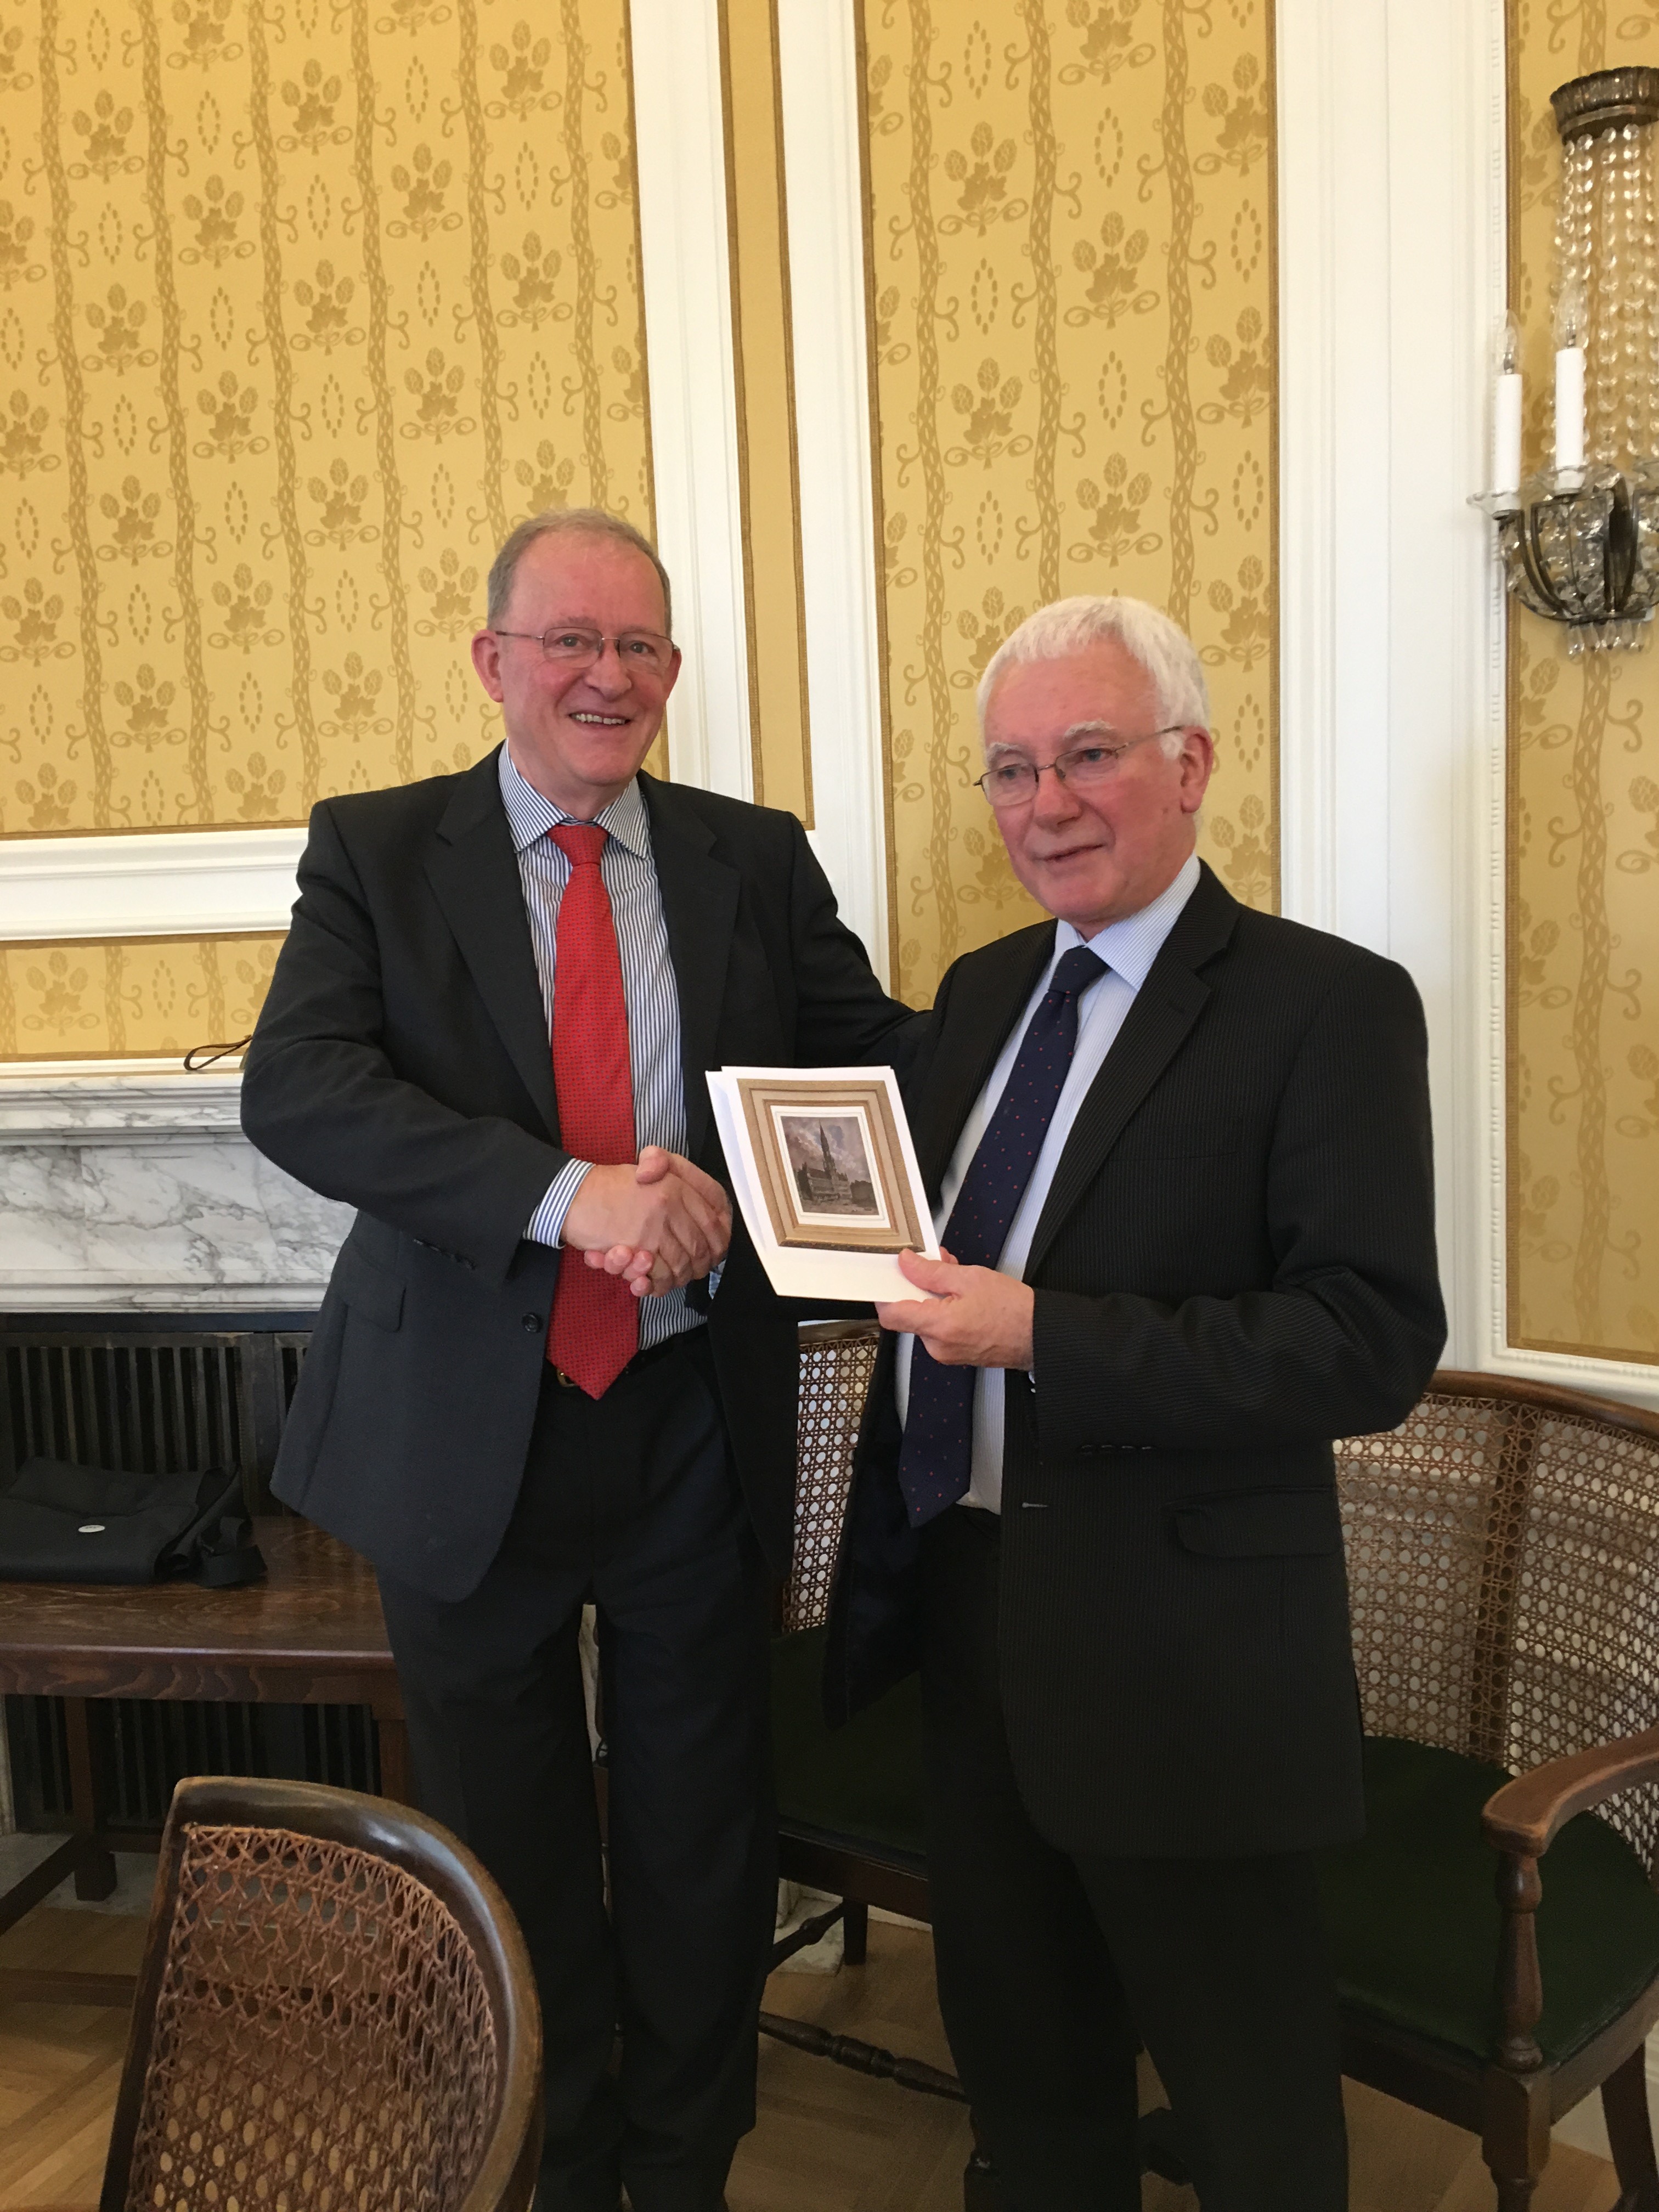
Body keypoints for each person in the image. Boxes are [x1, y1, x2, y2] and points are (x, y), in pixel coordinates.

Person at [240, 506, 921, 2212]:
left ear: (671, 670)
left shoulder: (752, 858)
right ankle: (549, 2162)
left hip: (693, 1419)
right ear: (496, 662)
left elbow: (866, 1068)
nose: (608, 676)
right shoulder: (377, 851)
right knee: (507, 1838)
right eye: (571, 642)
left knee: (703, 1835)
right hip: (465, 1434)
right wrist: (568, 1196)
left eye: (638, 646)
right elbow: (302, 1088)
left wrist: (1073, 998)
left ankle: (682, 2173)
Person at [825, 594, 1447, 2212]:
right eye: (1013, 769)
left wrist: (1047, 1336)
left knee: (1252, 2118)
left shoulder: (1328, 1004)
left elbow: (1368, 1340)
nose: (1048, 804)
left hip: (1188, 1657)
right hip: (973, 1609)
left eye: (1089, 755)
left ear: (1192, 765)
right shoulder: (979, 994)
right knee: (1027, 2080)